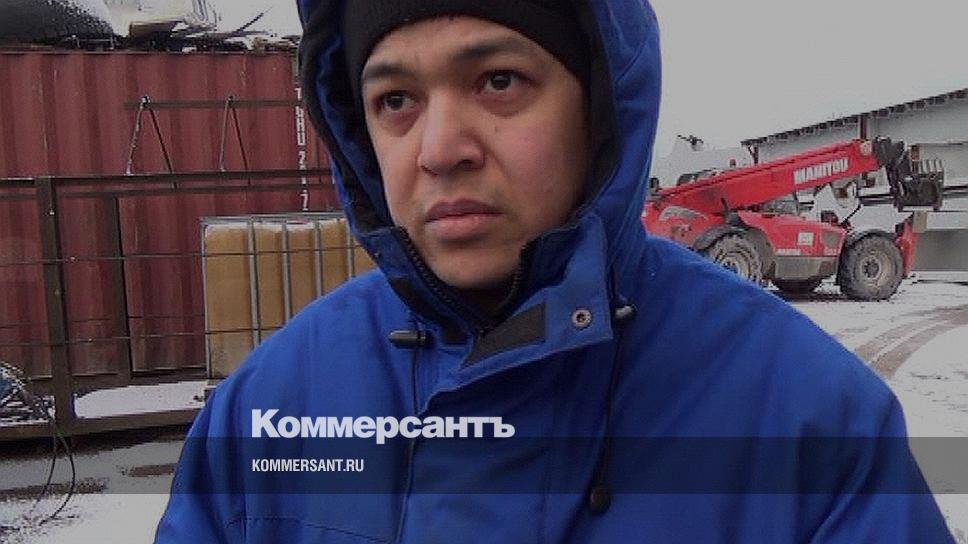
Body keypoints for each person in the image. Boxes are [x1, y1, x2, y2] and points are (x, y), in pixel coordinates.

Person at [156, 1, 955, 542]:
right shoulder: (264, 414)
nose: (440, 148)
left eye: (498, 81)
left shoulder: (809, 423)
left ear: (598, 105)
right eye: (396, 99)